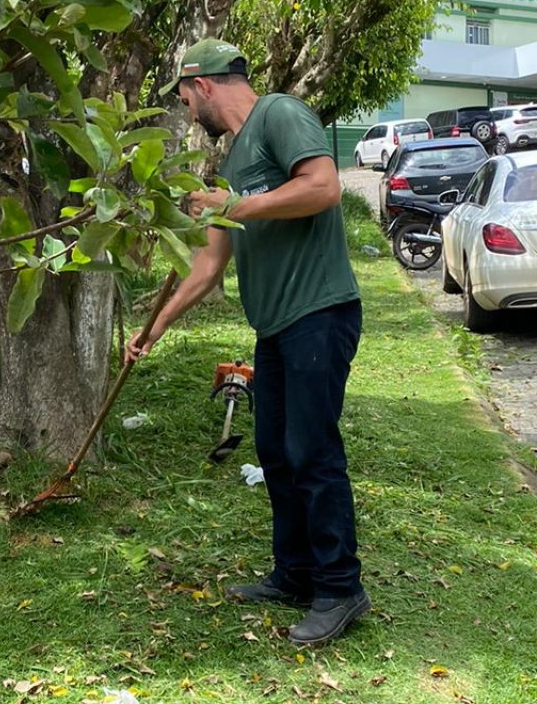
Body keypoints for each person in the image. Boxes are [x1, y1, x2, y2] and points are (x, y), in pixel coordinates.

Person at [126, 39, 367, 645]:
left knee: (312, 451)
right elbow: (208, 268)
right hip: (276, 327)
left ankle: (340, 588)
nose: (185, 110)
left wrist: (238, 202)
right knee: (276, 450)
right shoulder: (232, 164)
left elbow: (324, 187)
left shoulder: (280, 114)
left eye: (184, 97)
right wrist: (151, 330)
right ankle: (294, 573)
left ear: (204, 85)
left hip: (319, 313)